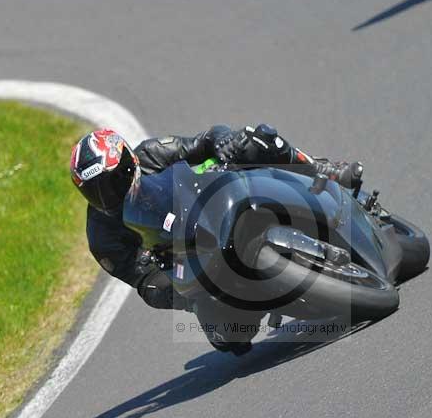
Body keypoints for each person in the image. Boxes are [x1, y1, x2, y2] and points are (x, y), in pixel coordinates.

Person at [69, 124, 362, 353]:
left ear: (129, 161)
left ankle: (323, 170)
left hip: (214, 210)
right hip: (191, 264)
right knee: (229, 338)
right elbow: (144, 282)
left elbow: (205, 140)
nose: (106, 196)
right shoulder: (101, 236)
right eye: (94, 191)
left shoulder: (151, 153)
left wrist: (223, 143)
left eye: (113, 181)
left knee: (256, 139)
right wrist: (174, 289)